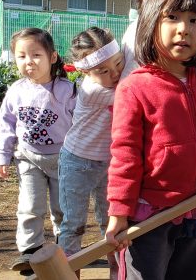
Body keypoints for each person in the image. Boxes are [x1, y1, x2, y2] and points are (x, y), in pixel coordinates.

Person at [104, 0, 196, 279]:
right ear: (151, 20)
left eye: (195, 20)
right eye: (173, 17)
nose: (184, 29)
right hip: (149, 218)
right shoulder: (135, 88)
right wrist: (119, 210)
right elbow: (124, 155)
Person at [0, 28, 76, 276]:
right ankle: (30, 251)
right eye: (21, 56)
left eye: (35, 55)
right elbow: (6, 124)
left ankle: (64, 250)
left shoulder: (67, 90)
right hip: (28, 157)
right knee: (30, 206)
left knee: (61, 208)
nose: (28, 61)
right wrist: (3, 155)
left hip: (63, 159)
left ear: (52, 57)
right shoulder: (16, 90)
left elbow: (81, 124)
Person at [57, 27, 123, 277]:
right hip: (77, 162)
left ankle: (118, 272)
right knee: (73, 224)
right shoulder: (93, 90)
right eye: (103, 71)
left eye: (117, 64)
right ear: (85, 71)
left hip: (108, 164)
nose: (114, 73)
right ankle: (69, 274)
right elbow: (130, 92)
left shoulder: (109, 79)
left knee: (112, 223)